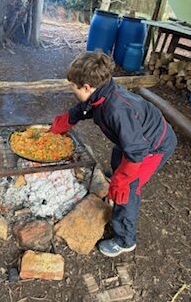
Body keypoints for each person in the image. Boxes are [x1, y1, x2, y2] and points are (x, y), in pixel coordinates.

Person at [50, 51, 177, 257]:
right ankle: (118, 179)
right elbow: (82, 109)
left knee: (127, 189)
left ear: (87, 87)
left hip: (153, 146)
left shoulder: (116, 109)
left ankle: (125, 239)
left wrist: (121, 181)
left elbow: (136, 152)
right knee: (118, 160)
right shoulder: (101, 94)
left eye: (73, 86)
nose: (71, 89)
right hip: (134, 140)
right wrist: (59, 126)